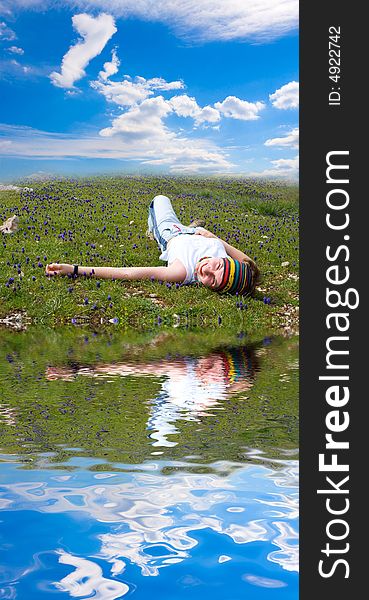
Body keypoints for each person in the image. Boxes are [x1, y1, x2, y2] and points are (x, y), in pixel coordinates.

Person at [46, 194, 259, 295]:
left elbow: (129, 273)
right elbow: (247, 261)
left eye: (213, 282)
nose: (208, 271)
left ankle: (153, 231)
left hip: (171, 232)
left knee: (159, 199)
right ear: (225, 260)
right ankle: (194, 225)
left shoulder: (181, 272)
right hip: (196, 233)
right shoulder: (225, 254)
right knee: (174, 211)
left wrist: (74, 269)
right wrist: (211, 236)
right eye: (218, 267)